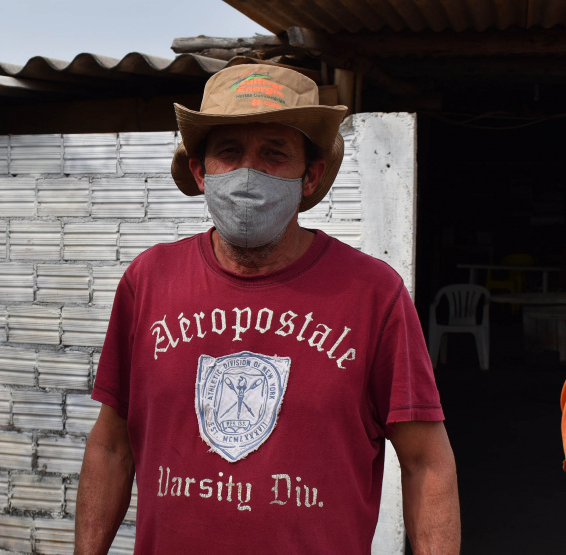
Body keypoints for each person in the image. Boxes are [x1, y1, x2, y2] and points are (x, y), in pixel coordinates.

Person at [74, 64, 460, 554]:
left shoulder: (372, 295)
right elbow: (110, 446)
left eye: (274, 154)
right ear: (200, 171)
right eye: (229, 153)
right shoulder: (149, 282)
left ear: (310, 176)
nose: (248, 173)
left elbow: (426, 461)